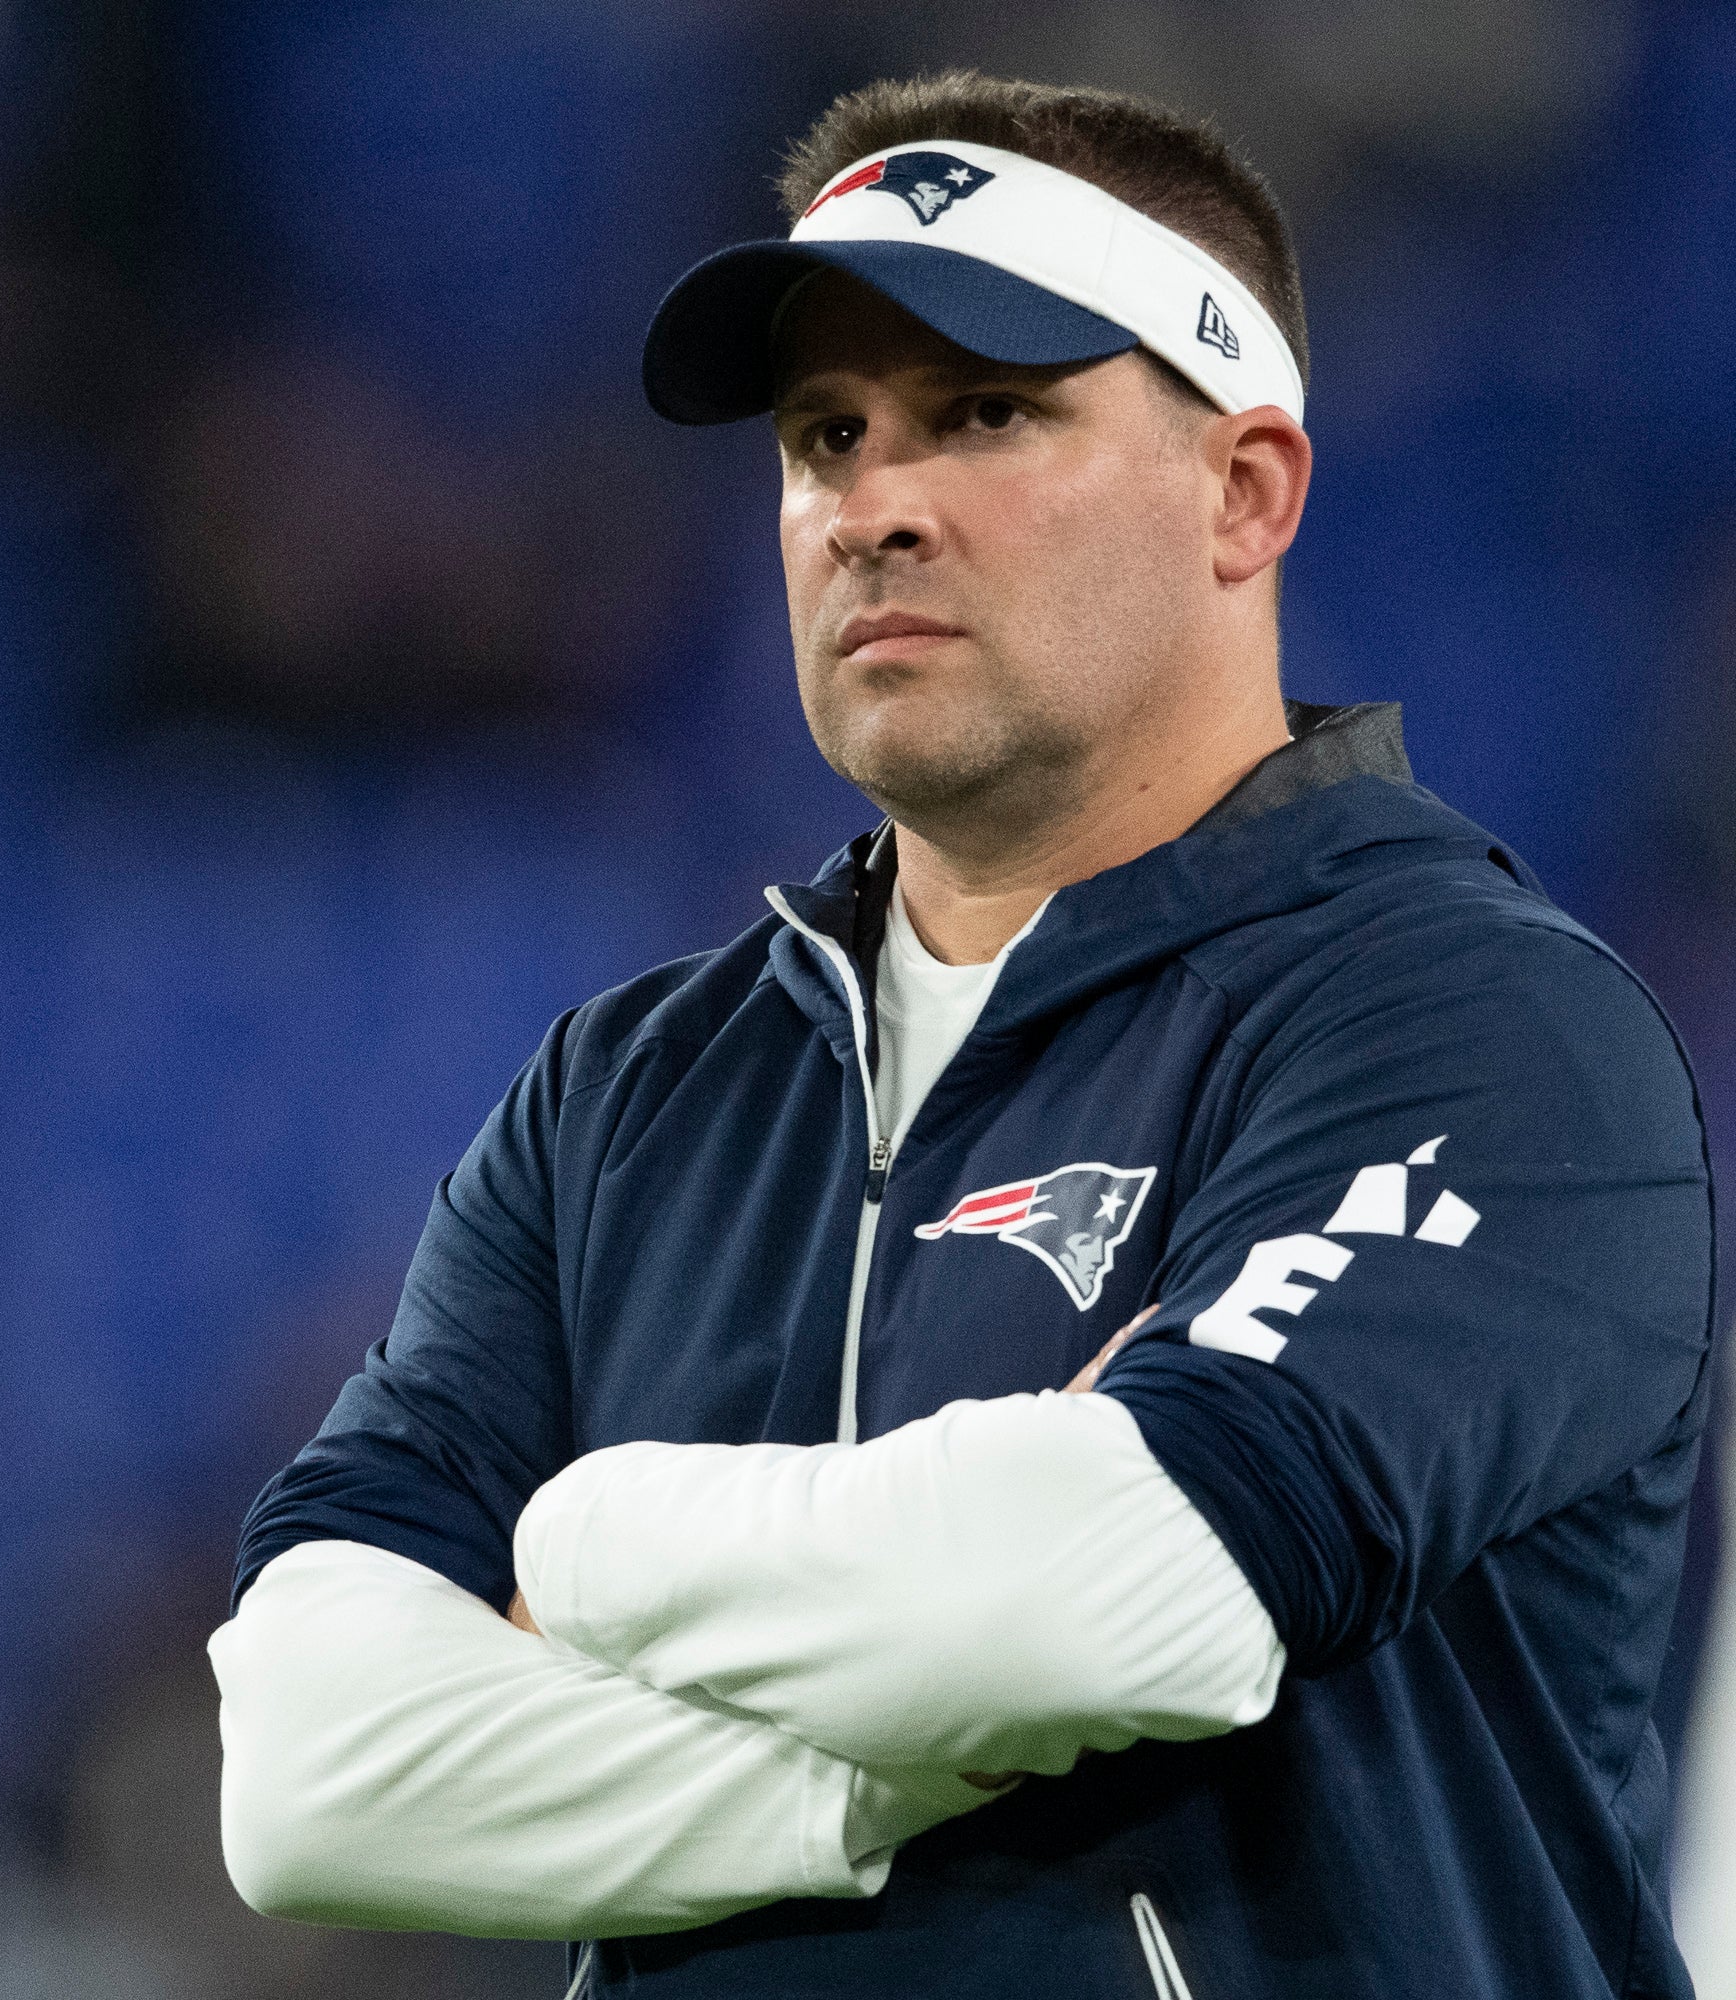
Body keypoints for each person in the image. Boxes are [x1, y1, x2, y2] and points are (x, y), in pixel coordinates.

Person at [209, 71, 1714, 2000]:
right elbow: (315, 1772)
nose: (872, 506)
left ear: (1244, 489)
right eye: (825, 433)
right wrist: (855, 1793)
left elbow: (1135, 1593)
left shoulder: (1482, 1026)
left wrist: (581, 1549)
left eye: (987, 414)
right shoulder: (627, 1095)